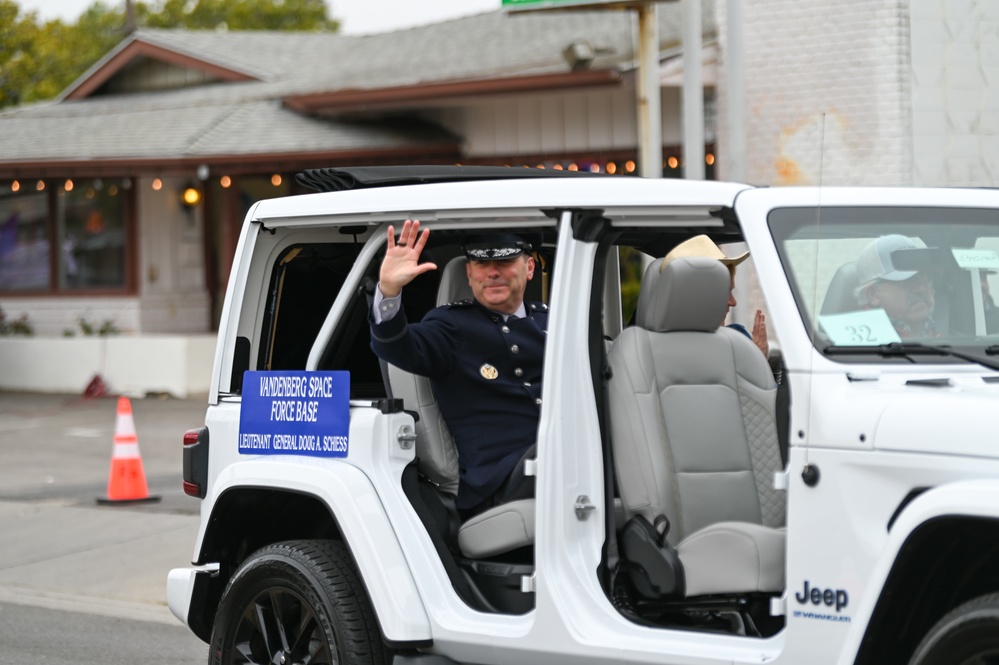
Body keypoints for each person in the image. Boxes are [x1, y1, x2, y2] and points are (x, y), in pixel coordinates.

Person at [369, 219, 547, 516]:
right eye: (480, 263)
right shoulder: (451, 325)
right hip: (500, 481)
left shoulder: (552, 321)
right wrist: (388, 291)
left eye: (504, 261)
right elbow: (396, 346)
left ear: (529, 268)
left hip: (555, 460)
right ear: (469, 272)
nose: (492, 272)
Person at [660, 235, 769, 358]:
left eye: (732, 291)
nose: (733, 302)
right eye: (724, 291)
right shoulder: (664, 353)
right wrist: (755, 361)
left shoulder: (738, 337)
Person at [855, 235, 937, 338]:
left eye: (925, 278)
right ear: (873, 295)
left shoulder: (951, 338)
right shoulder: (857, 347)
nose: (922, 289)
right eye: (907, 281)